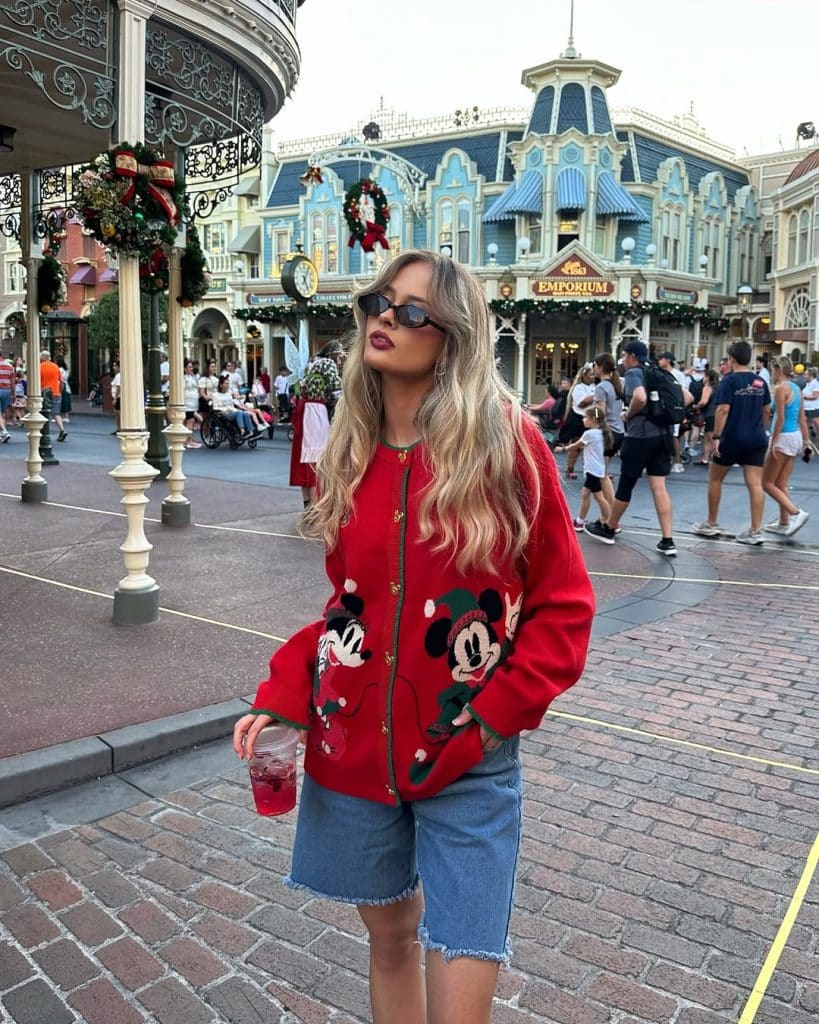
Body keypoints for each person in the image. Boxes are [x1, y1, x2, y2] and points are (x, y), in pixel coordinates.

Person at [233, 250, 594, 1024]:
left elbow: (563, 608)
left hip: (468, 755)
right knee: (389, 939)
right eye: (377, 301)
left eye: (411, 311)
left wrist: (493, 719)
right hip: (354, 750)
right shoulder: (349, 450)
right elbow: (348, 610)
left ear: (453, 336)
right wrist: (286, 697)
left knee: (462, 976)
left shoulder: (507, 443)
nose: (384, 319)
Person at [584, 340, 678, 556]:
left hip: (628, 435)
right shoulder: (639, 378)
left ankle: (608, 525)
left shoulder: (624, 378)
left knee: (616, 480)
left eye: (625, 355)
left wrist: (590, 419)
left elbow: (606, 409)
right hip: (661, 434)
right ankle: (667, 540)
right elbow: (687, 397)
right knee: (658, 486)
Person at [693, 340, 771, 545]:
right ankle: (755, 530)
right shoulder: (760, 381)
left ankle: (711, 523)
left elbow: (723, 409)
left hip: (732, 437)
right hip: (756, 437)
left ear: (731, 359)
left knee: (716, 479)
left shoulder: (729, 381)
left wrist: (717, 435)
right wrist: (760, 428)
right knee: (755, 483)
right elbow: (766, 410)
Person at [289, 341, 344, 507]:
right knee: (316, 458)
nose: (341, 360)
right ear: (333, 354)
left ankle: (308, 505)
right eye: (340, 356)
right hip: (316, 410)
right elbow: (337, 387)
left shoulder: (312, 364)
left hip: (306, 409)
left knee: (306, 458)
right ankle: (316, 507)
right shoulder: (327, 364)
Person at [762, 355, 811, 537]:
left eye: (772, 370)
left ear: (777, 369)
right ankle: (783, 522)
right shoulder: (796, 389)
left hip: (783, 436)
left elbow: (780, 417)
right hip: (795, 436)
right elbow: (802, 417)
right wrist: (806, 442)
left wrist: (773, 442)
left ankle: (796, 513)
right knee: (781, 483)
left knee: (766, 483)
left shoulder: (781, 388)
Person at [556, 406, 611, 532]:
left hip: (593, 471)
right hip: (597, 470)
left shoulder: (589, 434)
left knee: (598, 497)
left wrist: (562, 449)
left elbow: (576, 446)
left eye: (585, 417)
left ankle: (609, 523)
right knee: (586, 494)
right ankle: (581, 521)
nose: (583, 419)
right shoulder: (602, 433)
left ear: (593, 419)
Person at [591, 352, 624, 507]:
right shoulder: (618, 384)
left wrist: (592, 423)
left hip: (607, 433)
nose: (593, 369)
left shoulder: (601, 387)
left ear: (601, 367)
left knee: (602, 475)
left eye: (595, 365)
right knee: (602, 472)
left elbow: (600, 413)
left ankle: (610, 514)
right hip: (619, 431)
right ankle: (609, 514)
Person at [558, 363, 596, 479]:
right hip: (578, 419)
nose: (593, 376)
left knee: (591, 445)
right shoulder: (578, 388)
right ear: (584, 375)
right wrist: (596, 396)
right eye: (591, 374)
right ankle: (570, 469)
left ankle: (591, 470)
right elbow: (582, 403)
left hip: (591, 419)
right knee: (576, 445)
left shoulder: (595, 386)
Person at [657, 352, 689, 473]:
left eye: (661, 358)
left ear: (668, 360)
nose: (659, 361)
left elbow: (684, 394)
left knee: (674, 435)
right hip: (661, 408)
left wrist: (681, 412)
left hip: (674, 409)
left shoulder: (678, 375)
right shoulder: (658, 373)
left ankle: (677, 461)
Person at [692, 368, 719, 465]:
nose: (702, 378)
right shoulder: (716, 387)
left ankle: (717, 457)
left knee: (710, 437)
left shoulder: (707, 387)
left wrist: (696, 406)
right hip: (714, 414)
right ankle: (705, 458)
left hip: (710, 414)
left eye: (704, 376)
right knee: (707, 438)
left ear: (707, 378)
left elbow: (704, 401)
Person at [39, 350, 67, 442]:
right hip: (56, 392)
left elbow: (38, 381)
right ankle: (62, 429)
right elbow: (62, 381)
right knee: (56, 413)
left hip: (45, 392)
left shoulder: (40, 367)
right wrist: (60, 391)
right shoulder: (56, 367)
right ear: (49, 357)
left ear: (41, 358)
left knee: (44, 412)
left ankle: (44, 432)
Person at [182, 359, 203, 448]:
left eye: (191, 367)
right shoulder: (183, 378)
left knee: (190, 421)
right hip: (188, 403)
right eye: (189, 367)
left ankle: (187, 440)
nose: (191, 369)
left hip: (193, 403)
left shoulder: (191, 377)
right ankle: (188, 441)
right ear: (184, 368)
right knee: (190, 421)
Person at [0, 349, 14, 442]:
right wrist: (13, 393)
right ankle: (2, 434)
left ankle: (4, 431)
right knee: (3, 413)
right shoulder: (9, 366)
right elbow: (12, 382)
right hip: (7, 390)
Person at [803, 365, 819, 439]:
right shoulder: (808, 383)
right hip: (806, 407)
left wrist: (804, 397)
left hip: (813, 407)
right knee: (806, 421)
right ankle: (810, 434)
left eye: (806, 374)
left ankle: (812, 432)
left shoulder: (815, 383)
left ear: (811, 375)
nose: (804, 376)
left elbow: (815, 396)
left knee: (817, 422)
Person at [56, 357, 72, 424]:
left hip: (60, 385)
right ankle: (66, 416)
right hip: (66, 385)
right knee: (66, 401)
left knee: (60, 400)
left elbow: (59, 378)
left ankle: (59, 416)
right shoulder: (66, 370)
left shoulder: (59, 370)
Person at [110, 361, 121, 432]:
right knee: (117, 414)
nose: (114, 368)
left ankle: (120, 428)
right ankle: (118, 428)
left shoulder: (119, 376)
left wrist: (116, 399)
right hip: (117, 397)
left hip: (119, 397)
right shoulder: (117, 375)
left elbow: (119, 387)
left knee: (118, 413)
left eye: (115, 366)